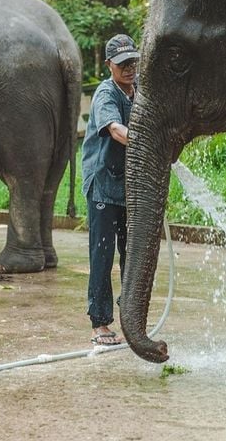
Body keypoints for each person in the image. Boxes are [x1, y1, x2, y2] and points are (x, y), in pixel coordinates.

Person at [82, 33, 141, 345]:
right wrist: (147, 145)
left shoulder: (139, 90)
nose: (129, 69)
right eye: (122, 65)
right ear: (109, 66)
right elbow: (115, 129)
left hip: (129, 186)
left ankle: (131, 318)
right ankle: (100, 323)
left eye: (132, 62)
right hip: (103, 186)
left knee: (132, 255)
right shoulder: (105, 94)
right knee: (102, 256)